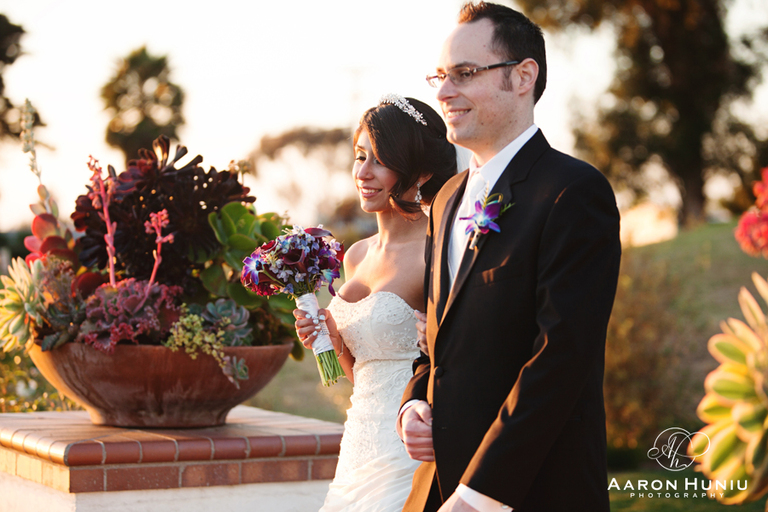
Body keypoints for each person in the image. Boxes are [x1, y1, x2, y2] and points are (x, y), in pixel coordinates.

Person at [398, 3, 622, 512]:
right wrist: (414, 398)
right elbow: (440, 338)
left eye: (465, 74)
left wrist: (481, 495)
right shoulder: (446, 200)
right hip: (435, 488)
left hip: (529, 490)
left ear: (523, 76)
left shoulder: (573, 193)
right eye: (440, 75)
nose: (442, 92)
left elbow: (561, 357)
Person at [294, 94, 457, 512]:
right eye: (359, 156)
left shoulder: (437, 249)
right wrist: (328, 340)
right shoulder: (355, 256)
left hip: (408, 445)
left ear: (419, 171)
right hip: (357, 443)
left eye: (378, 161)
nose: (362, 173)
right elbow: (362, 372)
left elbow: (449, 357)